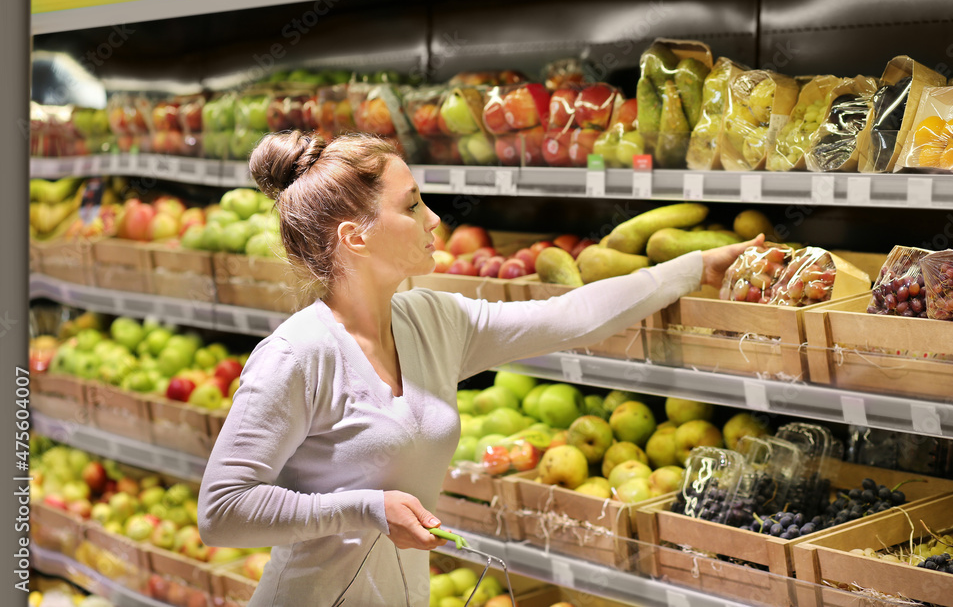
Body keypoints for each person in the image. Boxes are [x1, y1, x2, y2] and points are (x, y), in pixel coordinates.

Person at [198, 131, 763, 607]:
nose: (435, 218)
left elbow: (569, 316)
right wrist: (367, 510)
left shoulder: (431, 320)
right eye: (412, 205)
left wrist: (693, 268)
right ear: (355, 237)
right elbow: (222, 512)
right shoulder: (298, 355)